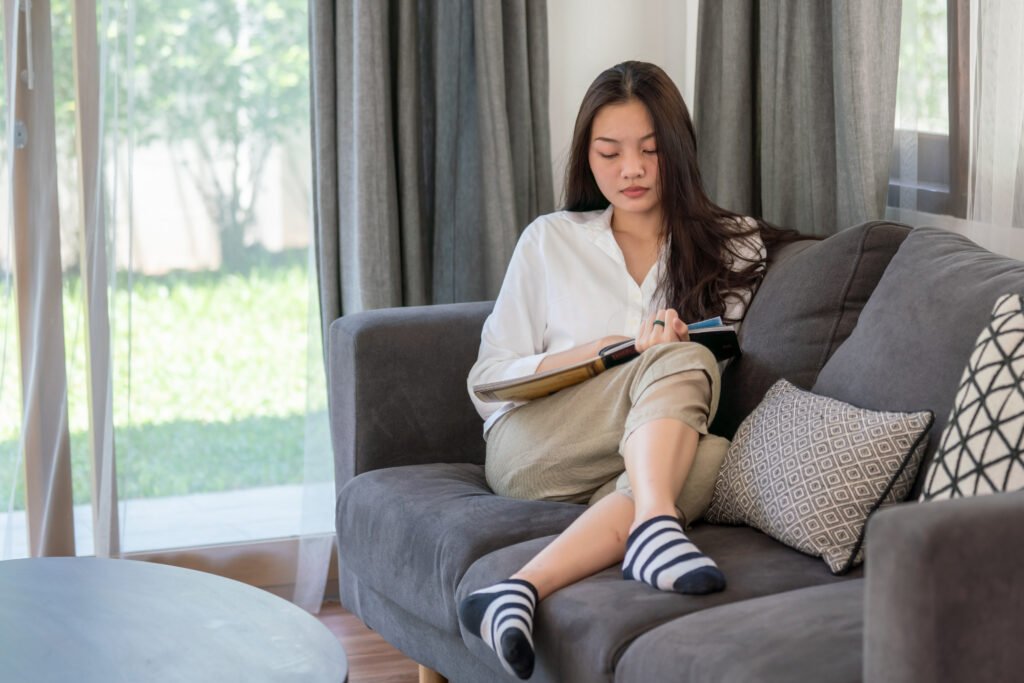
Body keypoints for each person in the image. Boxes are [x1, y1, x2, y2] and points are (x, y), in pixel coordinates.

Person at [458, 61, 788, 680]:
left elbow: (716, 376)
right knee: (677, 361)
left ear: (679, 152)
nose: (630, 169)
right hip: (535, 446)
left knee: (715, 458)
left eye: (650, 151)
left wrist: (675, 356)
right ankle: (659, 526)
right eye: (609, 153)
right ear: (588, 157)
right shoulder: (549, 240)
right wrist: (600, 356)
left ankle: (517, 590)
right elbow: (488, 379)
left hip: (643, 448)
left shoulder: (735, 244)